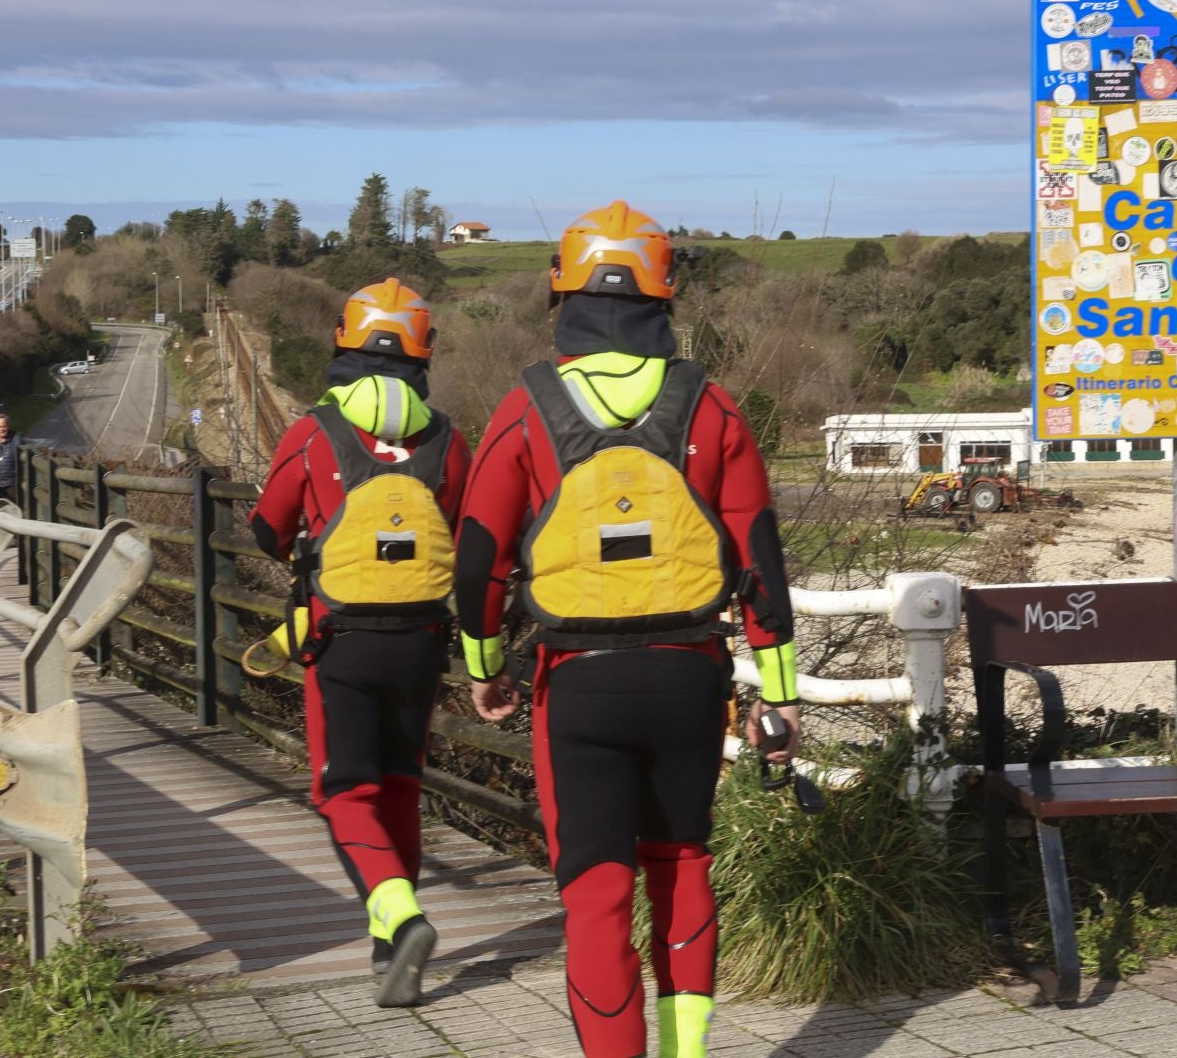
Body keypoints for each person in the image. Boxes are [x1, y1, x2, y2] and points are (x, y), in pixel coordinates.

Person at [455, 203, 801, 1058]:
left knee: (596, 892)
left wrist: (484, 666)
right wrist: (782, 698)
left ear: (562, 292)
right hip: (689, 678)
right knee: (682, 867)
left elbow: (479, 560)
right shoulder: (711, 406)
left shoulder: (525, 406)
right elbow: (760, 560)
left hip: (577, 683)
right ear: (664, 295)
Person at [247, 277, 471, 1008]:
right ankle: (387, 956)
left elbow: (266, 527)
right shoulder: (447, 438)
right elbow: (471, 534)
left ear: (343, 343)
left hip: (338, 635)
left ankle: (398, 914)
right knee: (400, 782)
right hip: (423, 639)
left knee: (343, 787)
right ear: (422, 351)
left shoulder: (315, 431)